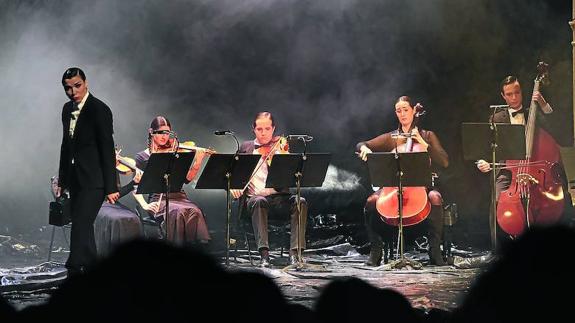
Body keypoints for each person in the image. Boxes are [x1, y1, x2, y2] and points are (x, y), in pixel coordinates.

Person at [356, 96, 449, 266]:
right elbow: (361, 143)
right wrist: (364, 148)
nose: (403, 114)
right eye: (399, 111)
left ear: (414, 110)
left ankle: (434, 249)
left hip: (421, 188)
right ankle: (376, 248)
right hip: (393, 188)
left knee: (435, 197)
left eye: (406, 109)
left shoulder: (427, 135)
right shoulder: (391, 137)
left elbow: (444, 161)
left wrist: (422, 143)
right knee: (371, 201)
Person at [476, 75, 555, 248]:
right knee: (497, 199)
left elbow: (554, 127)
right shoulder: (496, 118)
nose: (513, 98)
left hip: (534, 169)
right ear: (503, 96)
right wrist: (483, 161)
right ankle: (499, 248)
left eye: (517, 93)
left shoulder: (532, 113)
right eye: (509, 94)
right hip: (508, 171)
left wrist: (542, 104)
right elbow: (486, 148)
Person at [56, 67, 119, 276]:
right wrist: (63, 180)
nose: (73, 92)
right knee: (82, 223)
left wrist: (111, 187)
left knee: (81, 223)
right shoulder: (67, 109)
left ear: (85, 83)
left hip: (96, 180)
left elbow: (107, 148)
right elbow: (66, 146)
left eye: (77, 86)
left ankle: (73, 270)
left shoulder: (99, 109)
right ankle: (94, 269)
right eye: (68, 88)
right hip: (75, 178)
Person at [230, 111, 307, 268]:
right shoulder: (245, 148)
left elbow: (288, 179)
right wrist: (234, 186)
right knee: (259, 201)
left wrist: (281, 158)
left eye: (267, 129)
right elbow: (232, 174)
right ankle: (264, 255)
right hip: (255, 202)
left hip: (280, 200)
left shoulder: (281, 146)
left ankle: (295, 254)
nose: (263, 133)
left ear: (273, 129)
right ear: (253, 129)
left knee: (301, 201)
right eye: (259, 129)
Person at [133, 116, 210, 246]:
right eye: (161, 132)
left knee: (195, 210)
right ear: (151, 132)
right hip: (159, 200)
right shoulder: (142, 157)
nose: (164, 137)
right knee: (177, 211)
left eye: (167, 133)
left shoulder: (176, 152)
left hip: (180, 197)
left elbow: (187, 179)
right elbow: (135, 187)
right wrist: (145, 205)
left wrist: (198, 161)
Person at [93, 154, 143, 257]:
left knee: (133, 218)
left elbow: (115, 195)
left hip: (110, 204)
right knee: (116, 220)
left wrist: (133, 183)